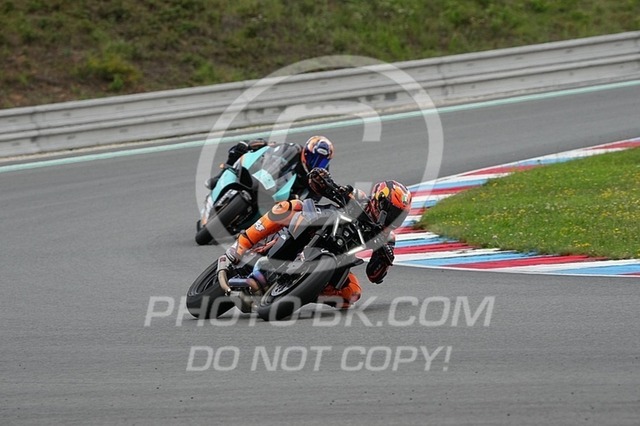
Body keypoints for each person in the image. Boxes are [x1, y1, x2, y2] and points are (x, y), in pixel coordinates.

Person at [224, 168, 413, 309]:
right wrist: (323, 179)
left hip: (338, 258)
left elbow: (374, 275)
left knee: (352, 294)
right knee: (289, 207)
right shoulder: (359, 198)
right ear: (380, 201)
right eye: (393, 212)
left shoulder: (387, 238)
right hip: (314, 225)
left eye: (399, 215)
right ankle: (242, 244)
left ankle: (304, 290)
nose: (394, 218)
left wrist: (384, 260)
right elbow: (320, 185)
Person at [205, 135, 335, 201]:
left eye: (321, 161)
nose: (315, 162)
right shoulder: (294, 149)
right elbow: (272, 148)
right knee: (240, 147)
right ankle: (219, 177)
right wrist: (259, 144)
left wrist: (299, 201)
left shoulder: (320, 175)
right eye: (313, 157)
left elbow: (315, 198)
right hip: (268, 176)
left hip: (285, 197)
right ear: (306, 151)